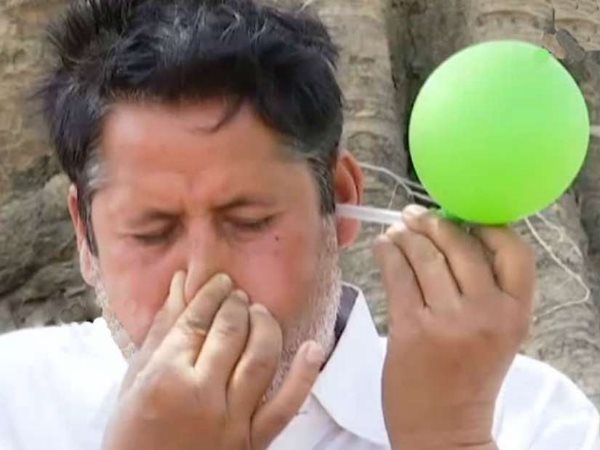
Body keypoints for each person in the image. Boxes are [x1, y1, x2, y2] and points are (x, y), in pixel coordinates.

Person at [0, 1, 598, 449]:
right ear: (85, 237)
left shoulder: (521, 415)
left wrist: (452, 439)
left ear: (339, 199)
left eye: (250, 222)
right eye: (152, 232)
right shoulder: (18, 403)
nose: (205, 278)